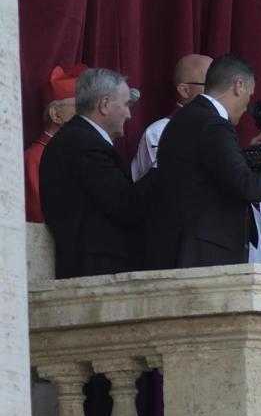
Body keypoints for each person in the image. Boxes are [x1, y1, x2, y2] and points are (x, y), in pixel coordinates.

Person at [146, 54, 261, 269]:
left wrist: (249, 157)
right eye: (249, 95)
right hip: (204, 256)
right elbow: (244, 185)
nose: (247, 107)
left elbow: (211, 175)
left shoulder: (185, 119)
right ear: (239, 86)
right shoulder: (213, 125)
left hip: (180, 249)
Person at [39, 68, 154, 279]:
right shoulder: (84, 143)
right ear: (105, 104)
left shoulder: (78, 138)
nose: (129, 115)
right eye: (126, 104)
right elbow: (125, 205)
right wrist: (159, 168)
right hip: (98, 271)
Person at [130, 53, 213, 180]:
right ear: (184, 90)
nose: (218, 93)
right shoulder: (159, 132)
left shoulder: (218, 127)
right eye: (210, 85)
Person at [24, 63, 86, 223]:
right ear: (56, 114)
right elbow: (39, 216)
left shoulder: (84, 153)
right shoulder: (34, 157)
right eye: (80, 108)